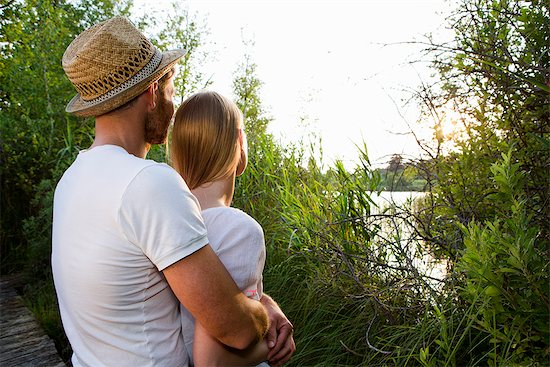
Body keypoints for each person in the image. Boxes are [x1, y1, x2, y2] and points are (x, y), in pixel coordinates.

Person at [52, 16, 294, 367]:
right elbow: (234, 329)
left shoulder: (71, 181)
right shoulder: (149, 183)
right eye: (170, 90)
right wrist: (265, 313)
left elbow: (188, 289)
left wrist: (261, 301)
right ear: (152, 92)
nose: (173, 104)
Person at [171, 91, 279, 366]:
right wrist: (274, 344)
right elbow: (211, 361)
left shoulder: (170, 221)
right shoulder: (239, 231)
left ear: (178, 153)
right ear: (239, 143)